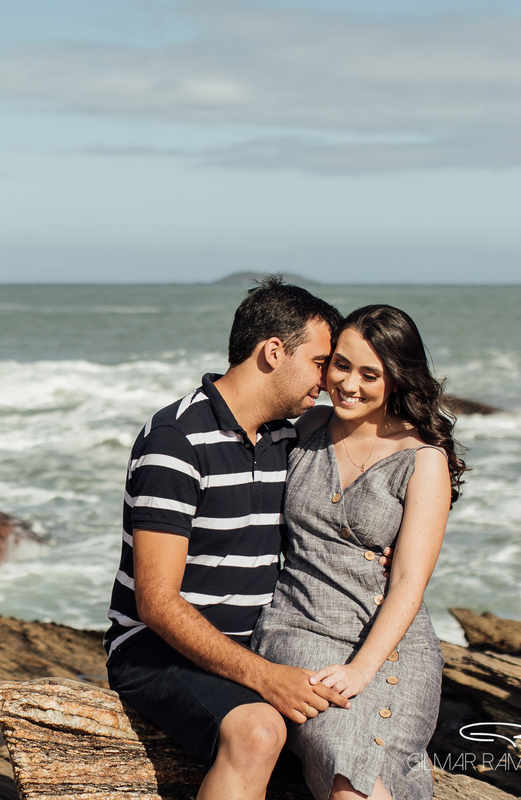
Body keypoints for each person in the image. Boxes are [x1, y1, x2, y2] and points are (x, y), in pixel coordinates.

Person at [104, 277, 349, 800]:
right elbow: (155, 602)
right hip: (156, 650)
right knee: (259, 732)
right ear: (273, 351)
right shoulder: (177, 440)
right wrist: (265, 677)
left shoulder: (288, 435)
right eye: (320, 362)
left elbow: (372, 453)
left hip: (263, 641)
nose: (328, 381)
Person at [251, 304, 466, 800]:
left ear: (397, 378)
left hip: (389, 648)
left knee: (364, 785)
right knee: (343, 767)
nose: (349, 384)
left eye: (370, 374)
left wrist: (362, 669)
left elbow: (410, 582)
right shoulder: (304, 430)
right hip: (298, 628)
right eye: (340, 365)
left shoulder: (422, 459)